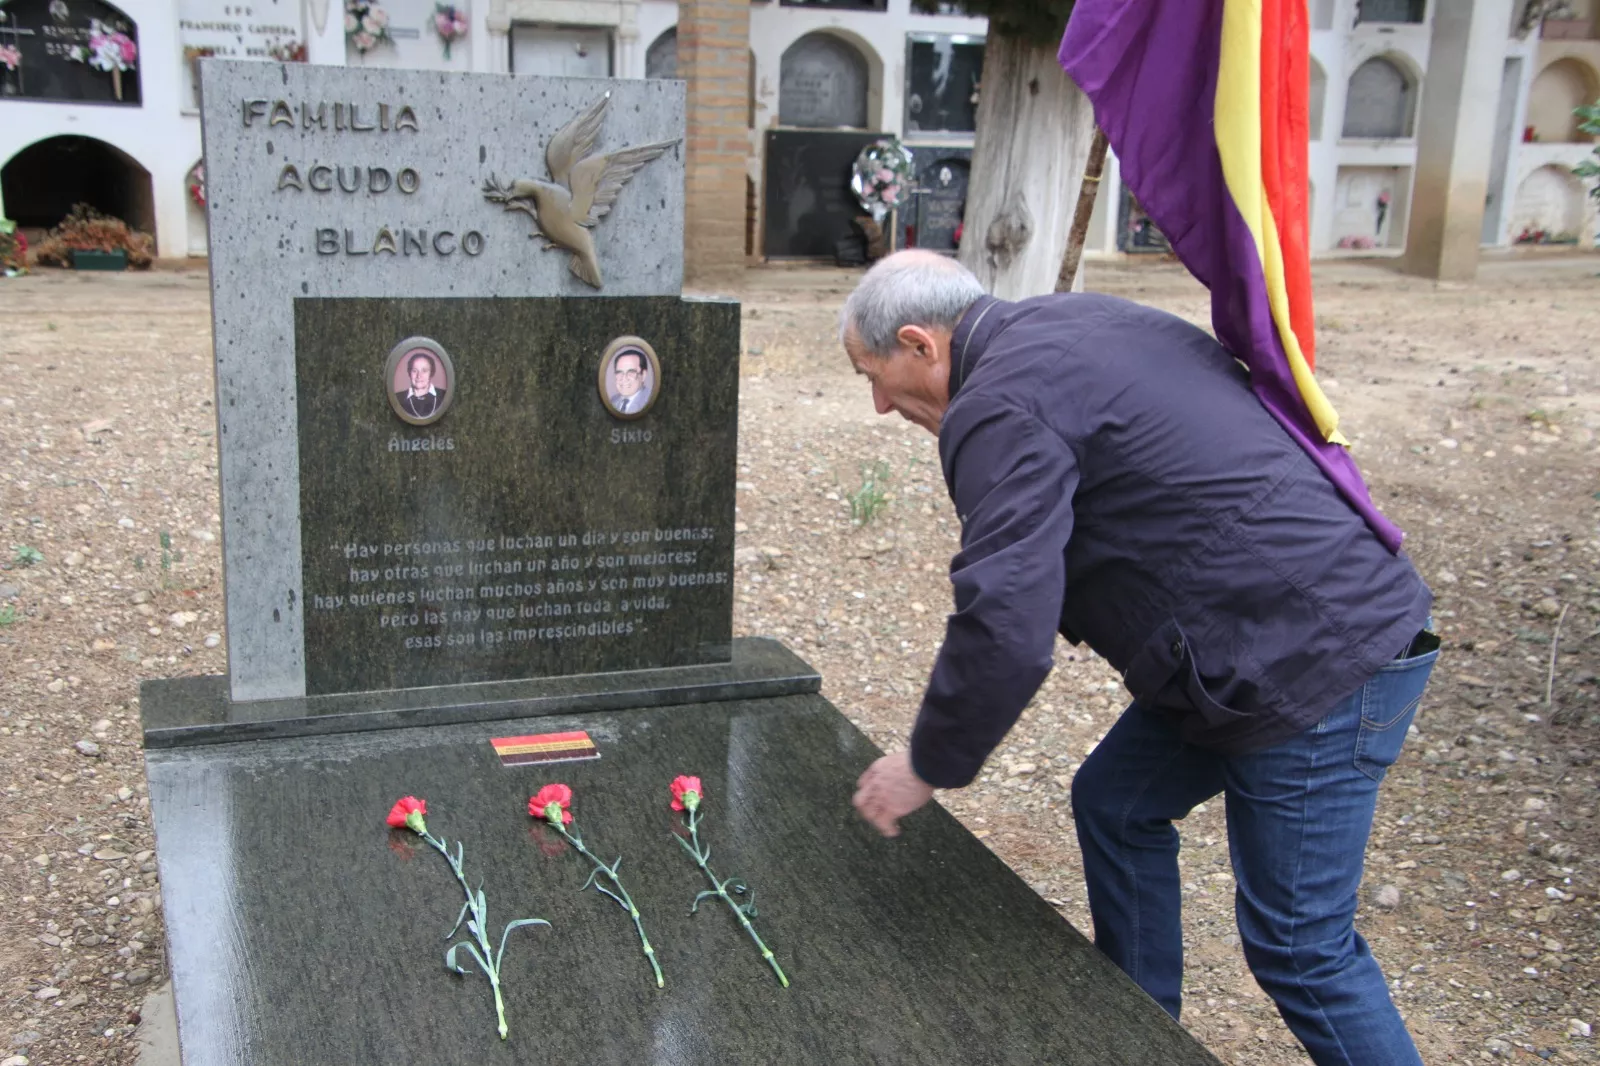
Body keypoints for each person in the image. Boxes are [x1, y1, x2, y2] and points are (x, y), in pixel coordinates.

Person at [842, 250, 1437, 1066]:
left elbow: (1008, 622)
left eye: (872, 375)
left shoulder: (997, 404)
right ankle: (1139, 1032)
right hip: (1259, 637)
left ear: (920, 344)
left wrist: (928, 762)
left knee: (1302, 949)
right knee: (1117, 804)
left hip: (1311, 661)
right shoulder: (1071, 321)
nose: (878, 405)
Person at [396, 351, 447, 420]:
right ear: (409, 373)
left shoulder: (444, 396)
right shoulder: (397, 399)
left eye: (424, 371)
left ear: (431, 373)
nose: (419, 376)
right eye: (414, 371)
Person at [608, 348, 652, 414]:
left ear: (643, 375)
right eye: (620, 372)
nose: (624, 378)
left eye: (631, 372)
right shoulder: (612, 401)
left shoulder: (650, 401)